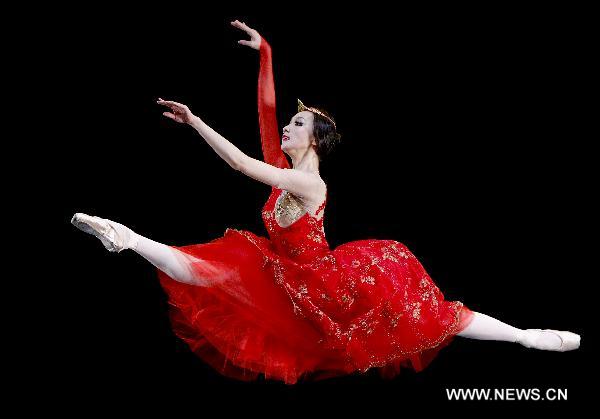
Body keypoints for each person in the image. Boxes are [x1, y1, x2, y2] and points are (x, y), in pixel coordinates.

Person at [71, 20, 580, 385]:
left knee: (438, 317)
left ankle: (527, 336)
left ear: (312, 141)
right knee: (205, 268)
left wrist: (195, 122)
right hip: (286, 273)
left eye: (297, 126)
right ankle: (127, 237)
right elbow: (268, 112)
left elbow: (243, 165)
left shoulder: (307, 183)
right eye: (292, 124)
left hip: (330, 287)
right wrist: (267, 52)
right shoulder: (288, 171)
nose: (287, 129)